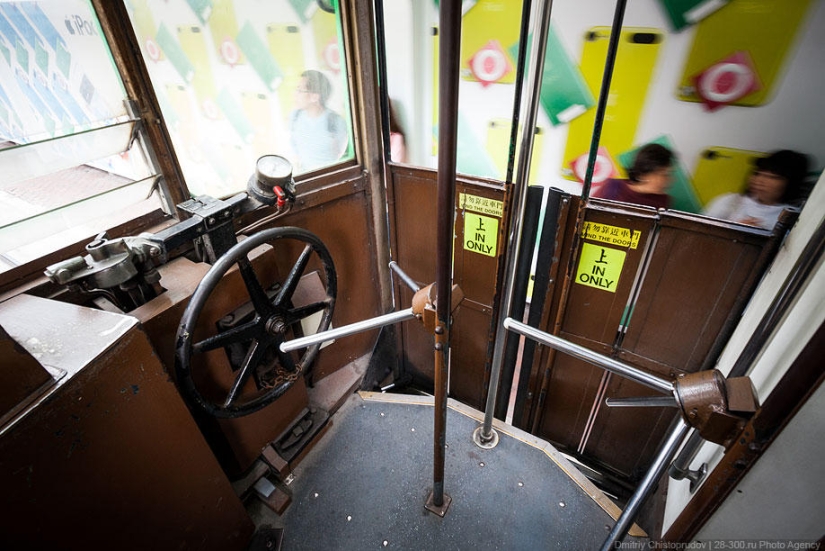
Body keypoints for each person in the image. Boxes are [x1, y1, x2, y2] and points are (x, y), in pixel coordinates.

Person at [703, 149, 808, 230]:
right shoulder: (730, 201)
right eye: (757, 174)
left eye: (772, 177)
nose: (759, 181)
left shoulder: (794, 218)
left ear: (790, 184)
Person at [289, 70, 348, 172]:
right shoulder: (295, 117)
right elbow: (294, 146)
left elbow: (343, 155)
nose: (295, 94)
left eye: (300, 90)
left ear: (315, 97)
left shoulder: (336, 122)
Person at [591, 143, 674, 209]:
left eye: (669, 174)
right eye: (664, 174)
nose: (669, 180)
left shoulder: (662, 202)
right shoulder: (612, 188)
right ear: (645, 173)